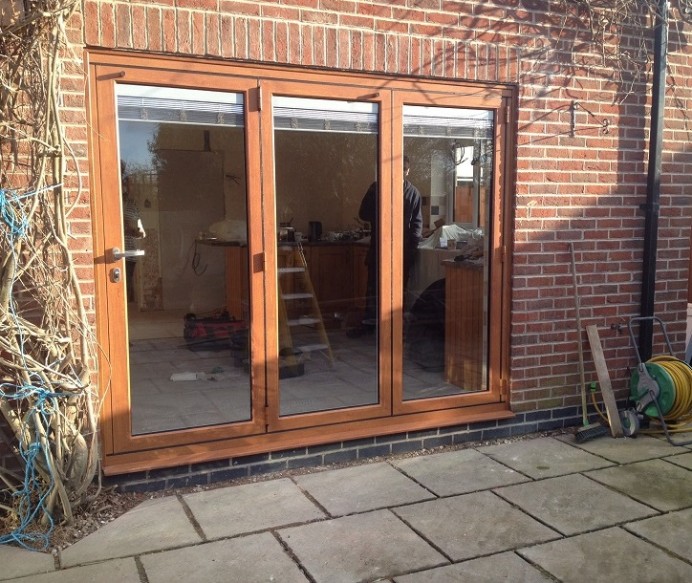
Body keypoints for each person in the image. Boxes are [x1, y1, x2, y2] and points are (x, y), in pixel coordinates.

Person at [350, 155, 422, 335]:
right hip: (379, 249)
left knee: (398, 290)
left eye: (405, 169)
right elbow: (363, 214)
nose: (402, 172)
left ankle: (393, 328)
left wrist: (411, 250)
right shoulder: (377, 187)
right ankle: (370, 326)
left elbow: (417, 224)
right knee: (373, 288)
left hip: (401, 251)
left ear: (408, 170)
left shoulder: (413, 193)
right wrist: (376, 194)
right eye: (399, 168)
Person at [121, 164, 146, 303]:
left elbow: (142, 232)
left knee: (126, 289)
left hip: (130, 254)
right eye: (127, 183)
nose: (129, 188)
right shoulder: (114, 202)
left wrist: (136, 231)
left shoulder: (132, 205)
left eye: (131, 184)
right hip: (114, 254)